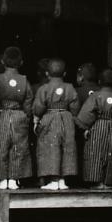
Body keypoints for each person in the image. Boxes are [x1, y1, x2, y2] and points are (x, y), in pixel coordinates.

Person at [77, 67, 112, 189]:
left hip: (97, 127)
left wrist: (85, 127)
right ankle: (107, 182)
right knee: (111, 154)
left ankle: (97, 182)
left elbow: (87, 114)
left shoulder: (95, 96)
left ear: (99, 81)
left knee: (95, 154)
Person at [31, 58, 79, 191]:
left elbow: (38, 107)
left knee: (50, 148)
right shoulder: (70, 87)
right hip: (67, 118)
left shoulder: (44, 88)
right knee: (66, 147)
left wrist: (36, 120)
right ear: (64, 73)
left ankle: (53, 180)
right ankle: (62, 180)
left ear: (47, 73)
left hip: (49, 118)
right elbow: (75, 107)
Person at [0, 46, 34, 191]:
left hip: (1, 115)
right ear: (21, 62)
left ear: (3, 62)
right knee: (18, 147)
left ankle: (2, 179)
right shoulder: (24, 80)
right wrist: (26, 115)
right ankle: (14, 179)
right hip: (19, 115)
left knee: (0, 147)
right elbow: (28, 100)